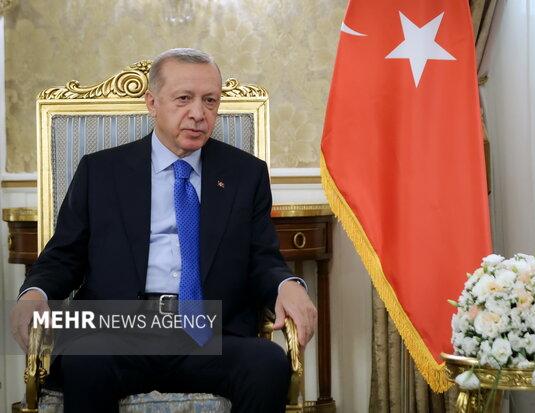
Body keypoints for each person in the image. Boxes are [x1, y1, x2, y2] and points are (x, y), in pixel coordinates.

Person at [10, 48, 317, 413]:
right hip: (119, 330)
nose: (198, 113)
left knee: (267, 364)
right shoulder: (101, 172)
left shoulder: (244, 174)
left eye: (210, 101)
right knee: (84, 360)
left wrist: (287, 285)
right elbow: (63, 256)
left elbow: (262, 258)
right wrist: (34, 293)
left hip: (211, 333)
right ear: (152, 103)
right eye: (183, 99)